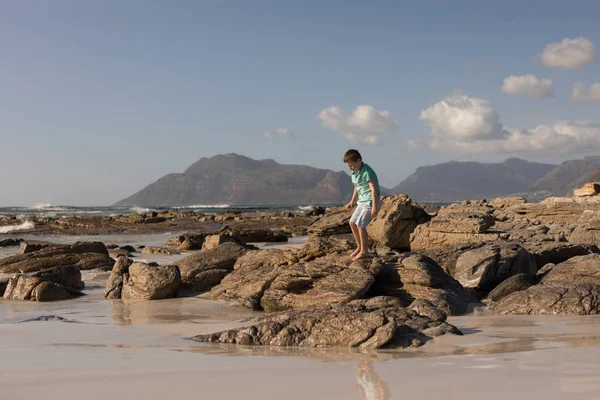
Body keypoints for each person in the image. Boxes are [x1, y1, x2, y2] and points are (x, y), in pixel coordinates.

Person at [343, 149, 381, 261]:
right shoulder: (354, 172)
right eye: (348, 166)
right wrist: (352, 201)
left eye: (351, 165)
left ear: (359, 161)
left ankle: (365, 251)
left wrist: (374, 207)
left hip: (370, 201)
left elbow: (373, 189)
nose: (350, 168)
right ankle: (360, 247)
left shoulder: (367, 171)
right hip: (361, 201)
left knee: (361, 225)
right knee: (352, 223)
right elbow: (357, 186)